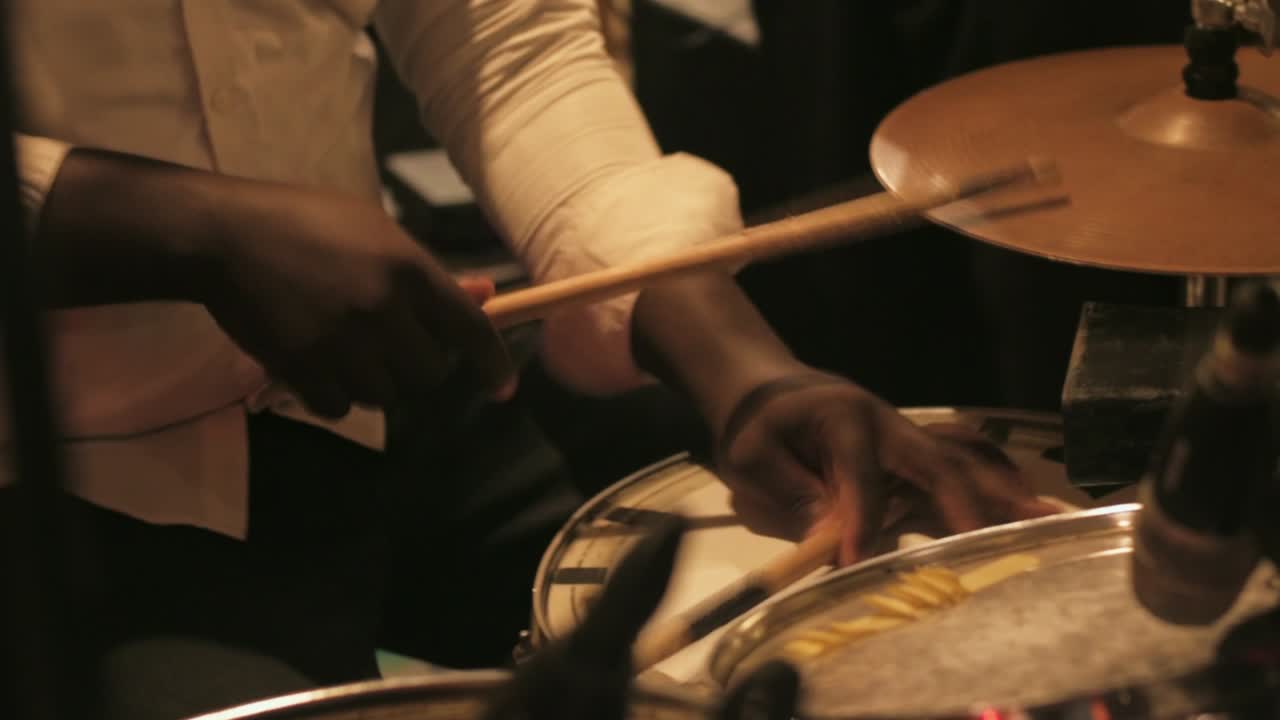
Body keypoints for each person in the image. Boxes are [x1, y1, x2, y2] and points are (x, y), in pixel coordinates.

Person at [0, 2, 1055, 717]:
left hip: (369, 389)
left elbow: (500, 41)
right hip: (62, 475)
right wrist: (181, 227)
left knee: (837, 632)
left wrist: (745, 371)